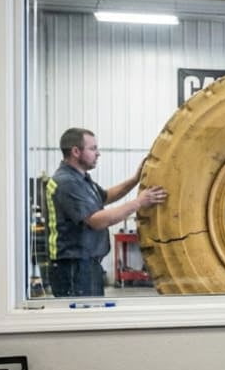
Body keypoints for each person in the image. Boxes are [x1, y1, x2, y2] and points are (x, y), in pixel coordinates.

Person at [46, 127, 167, 297]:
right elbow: (97, 221)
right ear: (75, 151)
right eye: (93, 148)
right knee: (83, 321)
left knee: (92, 319)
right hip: (73, 268)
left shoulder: (81, 179)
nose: (98, 153)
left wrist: (134, 180)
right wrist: (139, 202)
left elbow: (105, 196)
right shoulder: (67, 182)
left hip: (86, 266)